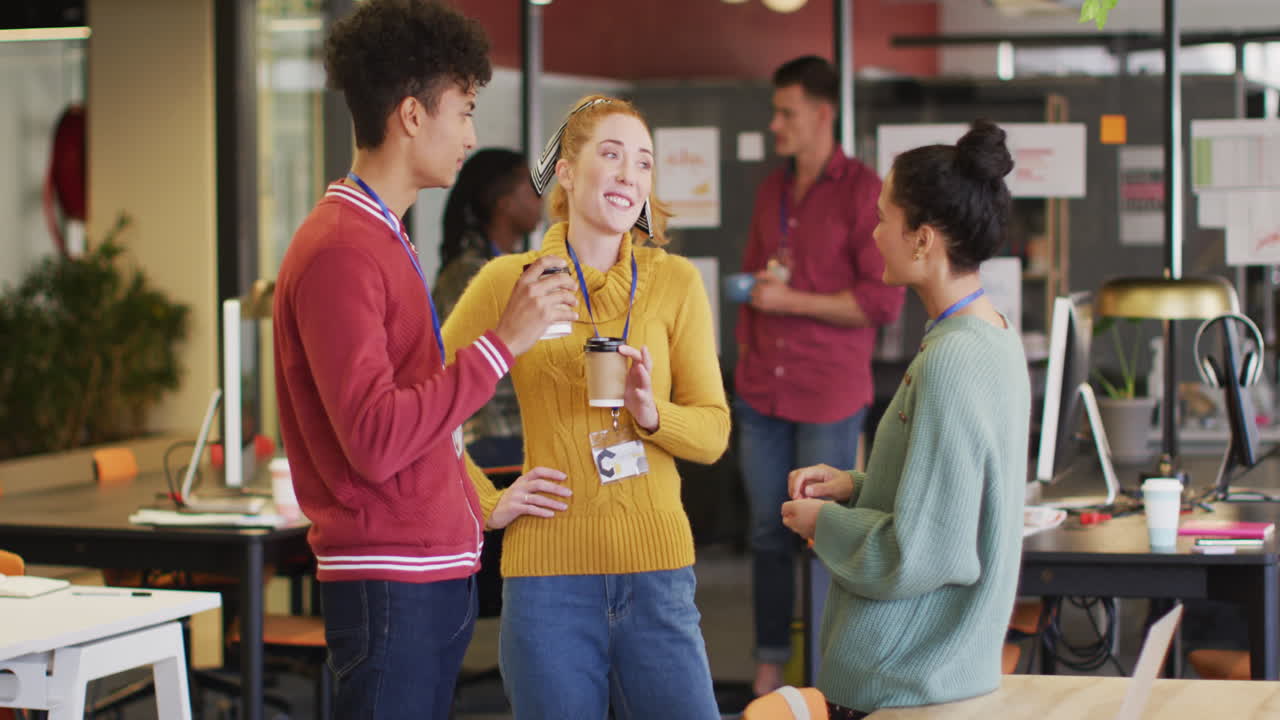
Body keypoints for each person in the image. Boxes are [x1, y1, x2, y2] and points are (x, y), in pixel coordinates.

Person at [271, 2, 578, 717]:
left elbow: (420, 424)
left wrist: (480, 509)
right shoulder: (345, 247)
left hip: (425, 565)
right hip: (391, 577)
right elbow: (375, 438)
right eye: (464, 111)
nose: (472, 135)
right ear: (412, 115)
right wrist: (502, 344)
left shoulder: (381, 236)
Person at [442, 94, 729, 720]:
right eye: (612, 154)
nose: (630, 174)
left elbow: (713, 434)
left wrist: (655, 415)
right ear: (566, 173)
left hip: (657, 573)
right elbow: (429, 401)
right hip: (547, 580)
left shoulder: (676, 283)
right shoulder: (509, 280)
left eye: (644, 163)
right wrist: (487, 503)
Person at [779, 119, 1030, 718]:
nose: (872, 233)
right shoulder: (991, 337)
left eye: (882, 218)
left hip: (903, 676)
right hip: (942, 670)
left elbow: (919, 553)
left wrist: (827, 521)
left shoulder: (951, 360)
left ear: (922, 240)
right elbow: (948, 502)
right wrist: (855, 486)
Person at [734, 54, 905, 695]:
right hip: (761, 391)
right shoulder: (771, 190)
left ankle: (833, 675)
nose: (775, 124)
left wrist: (791, 301)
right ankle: (768, 671)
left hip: (827, 393)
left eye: (787, 112)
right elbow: (754, 280)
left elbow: (881, 302)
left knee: (826, 535)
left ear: (822, 114)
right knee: (765, 533)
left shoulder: (865, 190)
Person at [434, 148, 543, 468]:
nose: (542, 198)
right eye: (531, 187)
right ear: (503, 203)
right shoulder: (467, 274)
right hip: (490, 439)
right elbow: (465, 358)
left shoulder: (516, 266)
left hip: (518, 434)